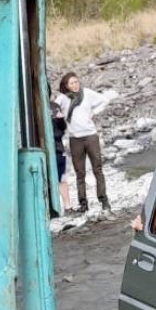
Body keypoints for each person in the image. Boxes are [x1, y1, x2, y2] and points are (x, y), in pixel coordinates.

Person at [55, 71, 116, 213]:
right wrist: (58, 116)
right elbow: (52, 107)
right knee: (80, 173)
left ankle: (104, 201)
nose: (75, 85)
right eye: (72, 83)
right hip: (75, 139)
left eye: (76, 82)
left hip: (90, 136)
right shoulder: (63, 98)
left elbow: (104, 100)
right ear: (66, 86)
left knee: (98, 169)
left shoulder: (87, 93)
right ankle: (83, 204)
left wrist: (94, 112)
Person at [47, 79, 72, 212]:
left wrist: (60, 119)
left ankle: (67, 206)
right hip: (50, 148)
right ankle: (56, 206)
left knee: (60, 178)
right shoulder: (52, 106)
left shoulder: (54, 106)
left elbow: (63, 127)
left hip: (56, 147)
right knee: (55, 178)